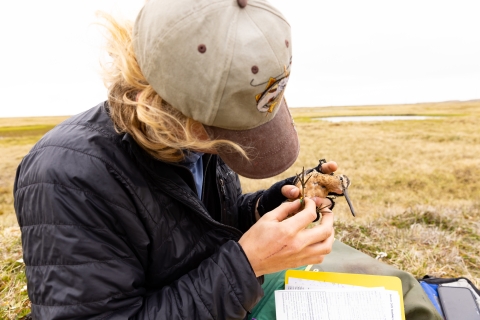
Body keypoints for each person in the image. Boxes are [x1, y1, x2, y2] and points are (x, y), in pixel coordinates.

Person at [14, 0, 442, 319]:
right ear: (170, 107)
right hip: (228, 297)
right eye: (227, 132)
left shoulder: (192, 137)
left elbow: (197, 231)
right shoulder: (66, 178)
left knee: (389, 292)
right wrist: (248, 263)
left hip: (228, 299)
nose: (230, 146)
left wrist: (274, 206)